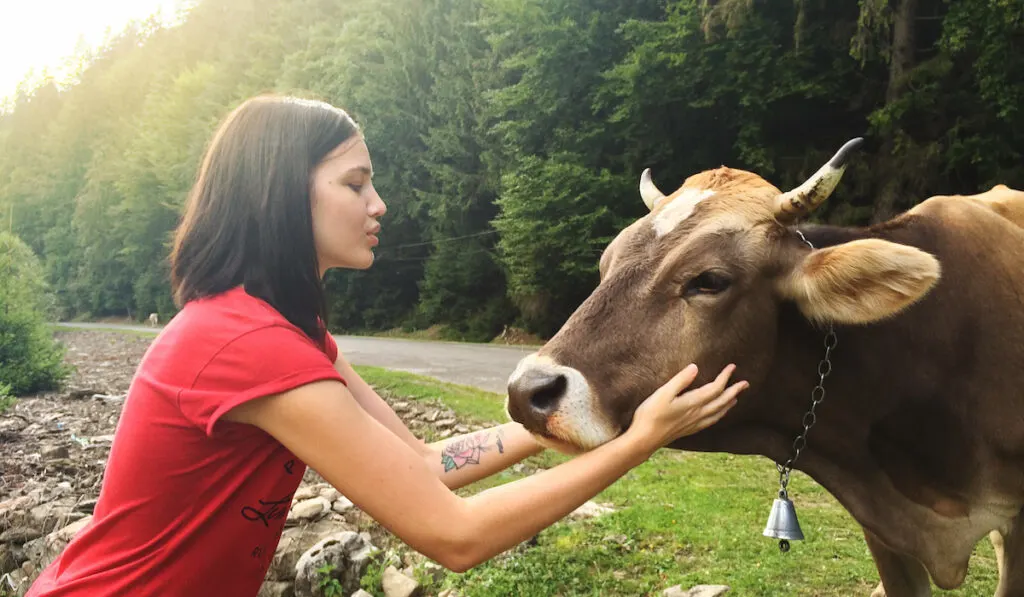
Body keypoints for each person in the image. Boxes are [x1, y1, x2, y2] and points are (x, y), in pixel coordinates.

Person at [26, 95, 747, 597]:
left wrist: (557, 417)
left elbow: (427, 467)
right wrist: (638, 440)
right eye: (355, 182)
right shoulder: (245, 345)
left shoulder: (292, 334)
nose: (380, 205)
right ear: (281, 193)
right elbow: (454, 537)